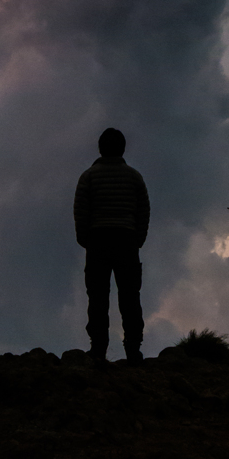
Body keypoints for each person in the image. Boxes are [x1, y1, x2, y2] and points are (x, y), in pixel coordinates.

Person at [74, 128, 150, 365]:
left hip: (97, 240)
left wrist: (84, 239)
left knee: (97, 297)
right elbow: (143, 211)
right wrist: (138, 238)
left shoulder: (88, 176)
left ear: (100, 149)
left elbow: (80, 211)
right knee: (130, 297)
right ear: (123, 149)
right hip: (127, 240)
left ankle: (98, 349)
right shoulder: (134, 177)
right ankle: (133, 350)